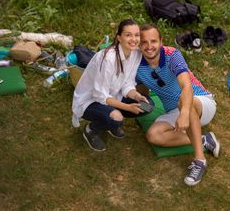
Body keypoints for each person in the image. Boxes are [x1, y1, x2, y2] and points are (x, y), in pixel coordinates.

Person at [136, 24, 220, 186]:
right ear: (139, 45)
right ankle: (204, 139)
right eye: (144, 42)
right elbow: (143, 92)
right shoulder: (137, 66)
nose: (149, 46)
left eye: (153, 41)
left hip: (201, 102)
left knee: (183, 101)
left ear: (161, 42)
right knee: (154, 135)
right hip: (174, 110)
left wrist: (184, 113)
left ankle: (199, 161)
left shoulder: (172, 54)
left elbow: (186, 87)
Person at [72, 19, 152, 152]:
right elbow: (99, 95)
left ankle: (111, 122)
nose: (133, 39)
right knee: (116, 118)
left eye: (137, 35)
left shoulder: (136, 53)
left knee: (147, 105)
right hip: (90, 100)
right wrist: (127, 107)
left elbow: (128, 82)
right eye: (128, 35)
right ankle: (92, 129)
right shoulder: (108, 58)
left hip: (114, 96)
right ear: (119, 38)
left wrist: (137, 96)